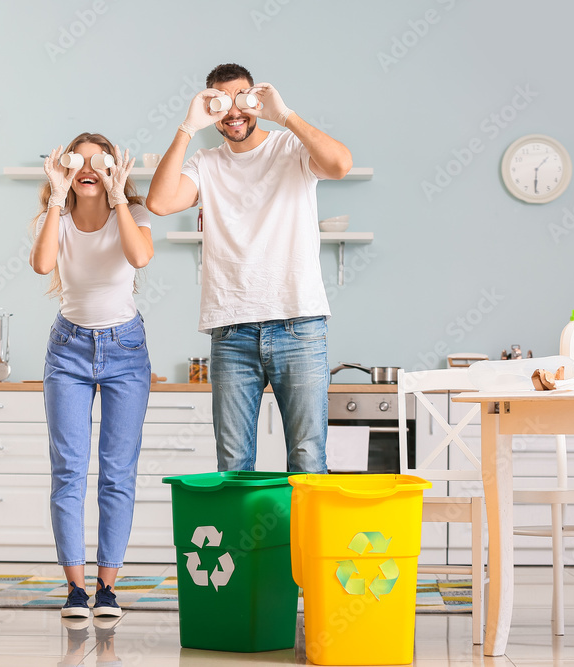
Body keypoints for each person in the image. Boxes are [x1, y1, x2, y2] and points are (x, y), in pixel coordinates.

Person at [146, 63, 352, 474]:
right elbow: (160, 203)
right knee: (234, 465)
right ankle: (246, 543)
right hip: (232, 330)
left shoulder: (289, 149)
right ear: (212, 110)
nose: (234, 112)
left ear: (256, 100)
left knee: (309, 459)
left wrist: (285, 114)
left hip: (299, 323)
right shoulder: (205, 163)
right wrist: (187, 126)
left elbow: (339, 164)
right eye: (221, 103)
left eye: (243, 98)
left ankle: (303, 542)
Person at [30, 132, 154, 618]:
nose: (86, 168)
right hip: (69, 350)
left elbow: (140, 256)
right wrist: (57, 198)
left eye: (95, 162)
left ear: (110, 169)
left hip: (125, 349)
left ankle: (107, 588)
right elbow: (42, 265)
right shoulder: (54, 220)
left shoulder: (134, 214)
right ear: (64, 169)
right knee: (69, 471)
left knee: (117, 473)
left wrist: (120, 196)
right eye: (75, 162)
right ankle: (75, 590)